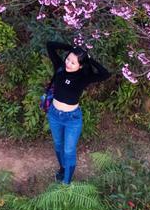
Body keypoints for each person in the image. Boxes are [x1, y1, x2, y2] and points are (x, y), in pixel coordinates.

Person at [45, 40, 112, 184]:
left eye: (73, 63)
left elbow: (105, 74)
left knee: (69, 150)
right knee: (58, 145)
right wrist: (72, 49)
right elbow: (50, 45)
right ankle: (63, 169)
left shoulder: (84, 77)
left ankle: (66, 183)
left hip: (72, 119)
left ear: (80, 66)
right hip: (54, 115)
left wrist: (88, 59)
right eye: (68, 59)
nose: (68, 63)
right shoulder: (60, 68)